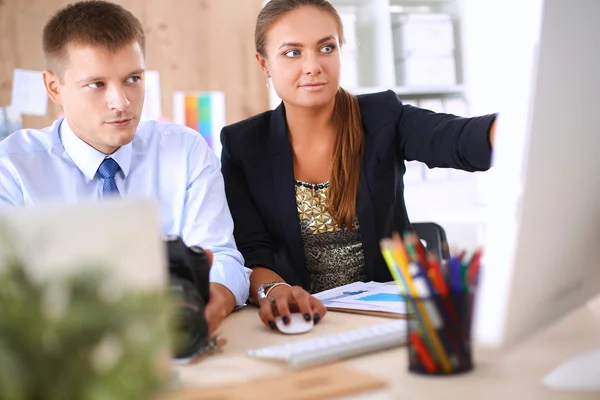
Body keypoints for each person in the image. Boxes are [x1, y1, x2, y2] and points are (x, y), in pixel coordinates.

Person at [220, 0, 497, 331]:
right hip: (309, 324)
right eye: (293, 53)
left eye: (326, 47)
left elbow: (455, 139)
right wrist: (275, 290)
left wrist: (519, 125)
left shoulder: (382, 116)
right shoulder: (243, 145)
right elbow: (253, 253)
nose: (312, 66)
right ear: (264, 63)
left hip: (399, 318)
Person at [0, 0, 251, 335]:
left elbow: (223, 257)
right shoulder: (12, 169)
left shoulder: (184, 150)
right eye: (97, 84)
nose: (121, 102)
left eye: (133, 78)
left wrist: (212, 304)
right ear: (54, 87)